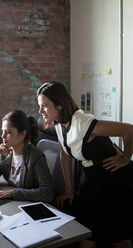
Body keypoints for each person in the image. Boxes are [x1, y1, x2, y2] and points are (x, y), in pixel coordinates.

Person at [37, 81, 133, 248]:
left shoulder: (83, 122)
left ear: (59, 105)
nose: (40, 111)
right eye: (39, 106)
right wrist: (68, 189)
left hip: (113, 179)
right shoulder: (59, 124)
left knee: (116, 236)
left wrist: (125, 158)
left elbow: (129, 130)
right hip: (90, 178)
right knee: (86, 232)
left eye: (45, 106)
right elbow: (64, 156)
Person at [0, 109, 54, 202]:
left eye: (8, 132)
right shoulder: (4, 154)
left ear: (22, 134)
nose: (2, 137)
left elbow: (47, 193)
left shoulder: (36, 157)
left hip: (30, 205)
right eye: (2, 131)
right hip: (14, 203)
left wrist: (13, 193)